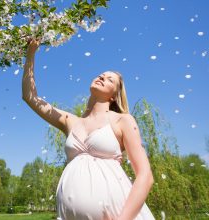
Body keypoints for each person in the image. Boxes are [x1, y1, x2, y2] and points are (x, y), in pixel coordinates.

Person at [22, 39, 156, 220]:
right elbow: (30, 97)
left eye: (109, 79)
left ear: (114, 96)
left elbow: (145, 176)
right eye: (101, 75)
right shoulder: (70, 121)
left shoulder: (122, 121)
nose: (102, 77)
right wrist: (30, 54)